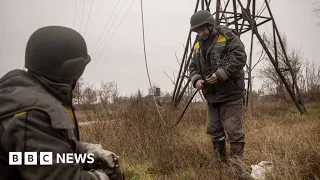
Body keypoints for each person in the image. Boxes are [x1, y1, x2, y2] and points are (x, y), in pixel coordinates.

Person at [0, 26, 124, 180]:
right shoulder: (34, 113)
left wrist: (87, 152)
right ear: (71, 69)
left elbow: (47, 155)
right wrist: (100, 177)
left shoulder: (22, 97)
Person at [188, 10, 247, 162]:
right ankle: (221, 166)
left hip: (231, 94)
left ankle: (237, 168)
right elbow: (193, 67)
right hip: (212, 96)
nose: (201, 33)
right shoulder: (197, 45)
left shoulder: (228, 37)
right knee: (213, 130)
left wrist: (220, 74)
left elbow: (239, 57)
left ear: (210, 26)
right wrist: (196, 80)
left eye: (202, 29)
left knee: (233, 130)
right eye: (197, 31)